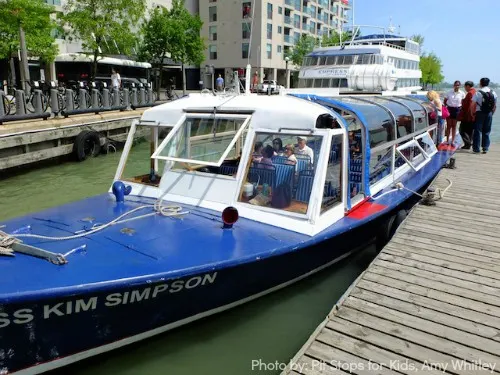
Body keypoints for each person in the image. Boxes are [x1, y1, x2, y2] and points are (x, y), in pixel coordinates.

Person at [472, 77, 497, 154]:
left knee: (477, 130)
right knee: (487, 131)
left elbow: (472, 105)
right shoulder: (493, 92)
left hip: (479, 113)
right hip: (489, 113)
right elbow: (494, 105)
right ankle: (485, 148)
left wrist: (472, 114)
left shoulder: (478, 92)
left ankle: (476, 148)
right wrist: (492, 113)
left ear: (480, 83)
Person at [443, 80, 465, 145]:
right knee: (449, 125)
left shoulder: (462, 93)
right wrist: (446, 107)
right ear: (453, 85)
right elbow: (445, 101)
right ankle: (447, 140)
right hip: (449, 109)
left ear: (460, 86)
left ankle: (452, 141)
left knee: (454, 126)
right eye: (456, 85)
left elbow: (463, 102)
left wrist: (461, 109)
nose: (457, 86)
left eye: (458, 85)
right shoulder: (449, 92)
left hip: (457, 110)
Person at [457, 81, 476, 150]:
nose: (465, 88)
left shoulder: (470, 93)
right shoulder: (475, 92)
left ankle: (467, 144)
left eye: (465, 86)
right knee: (470, 131)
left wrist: (465, 115)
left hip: (468, 116)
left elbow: (468, 106)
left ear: (468, 86)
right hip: (473, 115)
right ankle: (469, 143)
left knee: (462, 130)